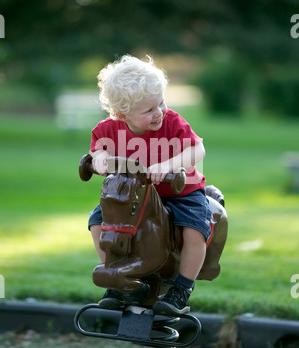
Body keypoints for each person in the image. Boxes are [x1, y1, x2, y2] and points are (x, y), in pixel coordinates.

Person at [88, 55, 212, 315]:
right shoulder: (108, 129)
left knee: (195, 230)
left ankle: (182, 287)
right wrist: (99, 159)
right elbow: (97, 150)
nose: (160, 112)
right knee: (99, 222)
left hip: (180, 191)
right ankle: (117, 279)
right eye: (149, 110)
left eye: (161, 103)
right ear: (122, 114)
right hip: (135, 196)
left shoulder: (172, 122)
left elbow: (197, 149)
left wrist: (170, 165)